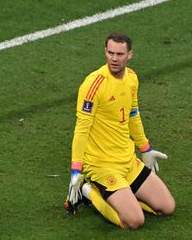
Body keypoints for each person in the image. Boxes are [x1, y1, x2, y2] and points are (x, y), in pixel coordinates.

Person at [65, 32, 175, 229]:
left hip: (127, 161)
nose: (114, 59)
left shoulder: (132, 78)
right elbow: (81, 130)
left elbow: (133, 114)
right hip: (102, 165)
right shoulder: (94, 84)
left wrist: (145, 148)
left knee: (166, 208)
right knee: (133, 220)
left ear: (129, 55)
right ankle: (88, 191)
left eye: (119, 54)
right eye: (110, 53)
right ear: (105, 52)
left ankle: (124, 196)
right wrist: (76, 170)